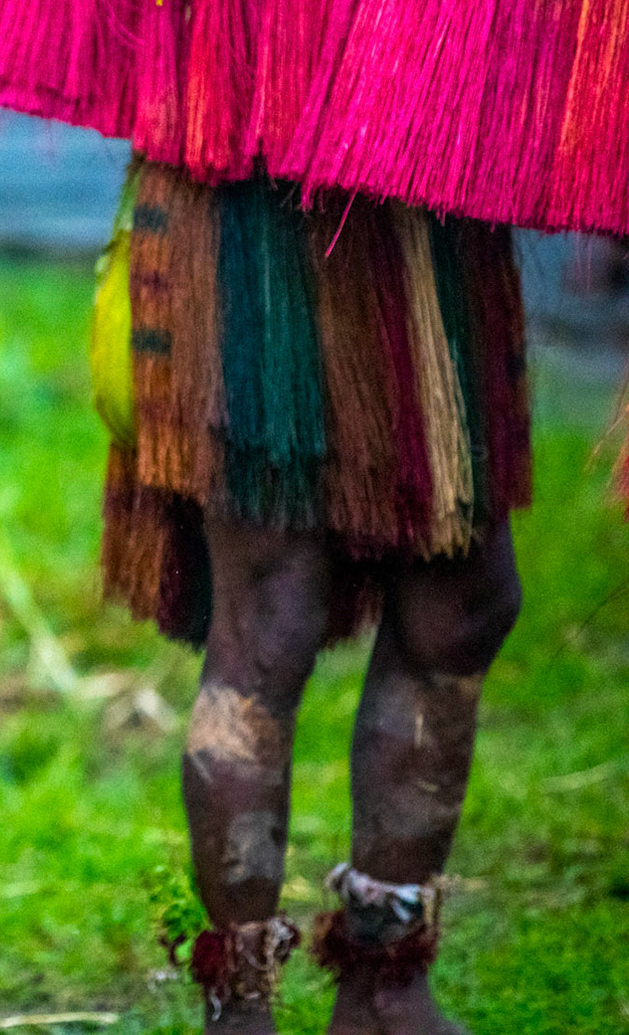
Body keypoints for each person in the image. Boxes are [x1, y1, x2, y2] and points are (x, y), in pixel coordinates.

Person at [102, 163, 530, 1035]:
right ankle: (241, 1008)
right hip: (252, 187)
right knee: (271, 620)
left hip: (432, 189)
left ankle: (384, 986)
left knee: (461, 605)